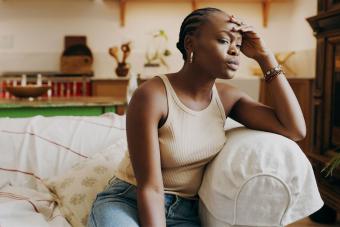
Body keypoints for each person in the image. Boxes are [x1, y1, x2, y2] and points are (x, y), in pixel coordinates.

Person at [88, 7, 306, 227]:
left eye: (238, 45)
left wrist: (265, 57)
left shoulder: (227, 98)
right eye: (223, 40)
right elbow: (150, 189)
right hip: (130, 201)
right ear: (191, 44)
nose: (234, 51)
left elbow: (294, 130)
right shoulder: (151, 96)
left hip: (184, 211)